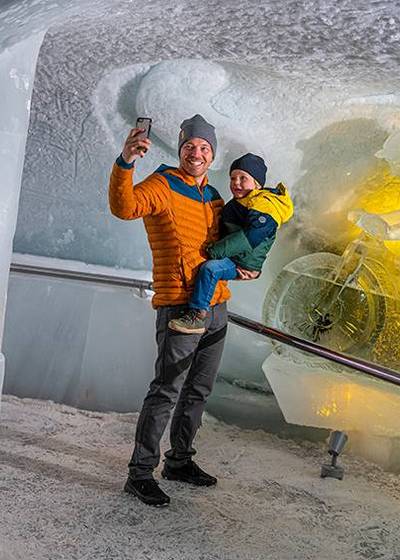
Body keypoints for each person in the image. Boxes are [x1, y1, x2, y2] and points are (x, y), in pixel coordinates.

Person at [109, 114, 257, 507]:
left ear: (212, 155)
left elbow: (227, 245)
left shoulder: (214, 197)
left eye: (204, 148)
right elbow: (124, 207)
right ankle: (140, 473)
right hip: (179, 305)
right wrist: (125, 161)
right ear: (180, 149)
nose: (197, 152)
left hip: (217, 306)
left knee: (199, 390)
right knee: (166, 391)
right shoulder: (163, 184)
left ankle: (179, 461)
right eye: (190, 146)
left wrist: (243, 266)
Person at [169, 153, 294, 334]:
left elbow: (251, 236)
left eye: (243, 178)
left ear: (257, 184)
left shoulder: (265, 205)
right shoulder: (241, 203)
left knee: (210, 268)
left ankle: (197, 316)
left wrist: (217, 250)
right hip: (236, 258)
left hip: (243, 263)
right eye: (233, 178)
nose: (236, 182)